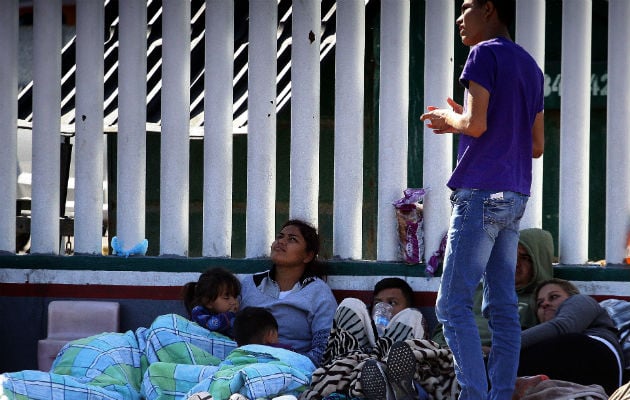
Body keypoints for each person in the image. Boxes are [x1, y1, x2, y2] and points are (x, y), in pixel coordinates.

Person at [419, 0, 544, 398]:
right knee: (502, 306)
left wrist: (448, 119)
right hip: (514, 194)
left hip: (480, 194)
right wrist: (464, 120)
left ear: (490, 9)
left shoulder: (482, 53)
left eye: (467, 6)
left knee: (452, 307)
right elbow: (536, 145)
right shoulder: (530, 66)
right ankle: (500, 392)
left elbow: (475, 124)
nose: (460, 17)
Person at [302, 278, 460, 400]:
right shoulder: (366, 323)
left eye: (392, 303)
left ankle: (383, 377)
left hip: (394, 368)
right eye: (378, 303)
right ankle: (369, 377)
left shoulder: (411, 317)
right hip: (351, 368)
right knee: (349, 303)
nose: (384, 308)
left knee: (411, 315)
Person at [431, 228, 554, 351]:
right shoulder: (476, 292)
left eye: (525, 258)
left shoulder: (542, 301)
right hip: (445, 352)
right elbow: (442, 327)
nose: (515, 263)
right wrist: (442, 347)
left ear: (540, 261)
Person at [239, 219, 338, 368]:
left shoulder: (318, 291)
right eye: (280, 236)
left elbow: (325, 349)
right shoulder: (250, 283)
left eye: (292, 239)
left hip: (293, 368)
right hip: (242, 361)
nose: (281, 242)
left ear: (308, 256)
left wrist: (287, 364)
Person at [517, 278, 625, 395]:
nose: (545, 304)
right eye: (539, 303)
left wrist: (501, 347)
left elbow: (563, 326)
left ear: (571, 297)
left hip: (591, 355)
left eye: (553, 297)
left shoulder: (582, 300)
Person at [182, 267, 241, 337]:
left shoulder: (232, 315)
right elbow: (212, 324)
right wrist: (230, 315)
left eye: (235, 297)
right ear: (208, 302)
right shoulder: (198, 312)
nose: (233, 302)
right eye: (226, 297)